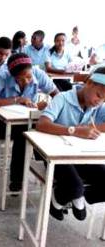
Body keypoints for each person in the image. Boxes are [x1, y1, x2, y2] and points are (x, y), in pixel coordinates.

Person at [36, 66, 105, 221]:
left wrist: (90, 128)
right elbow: (41, 124)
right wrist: (75, 130)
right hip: (55, 156)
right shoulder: (63, 98)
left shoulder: (97, 105)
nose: (99, 102)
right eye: (99, 95)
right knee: (75, 186)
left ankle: (78, 195)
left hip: (81, 156)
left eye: (104, 100)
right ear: (89, 83)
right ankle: (61, 197)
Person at [0, 53, 59, 191]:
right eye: (20, 79)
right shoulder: (4, 76)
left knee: (42, 131)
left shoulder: (38, 73)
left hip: (28, 120)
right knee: (25, 135)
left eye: (29, 77)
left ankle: (54, 173)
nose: (26, 82)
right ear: (12, 76)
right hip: (2, 123)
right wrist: (17, 99)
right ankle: (17, 179)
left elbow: (58, 96)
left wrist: (48, 105)